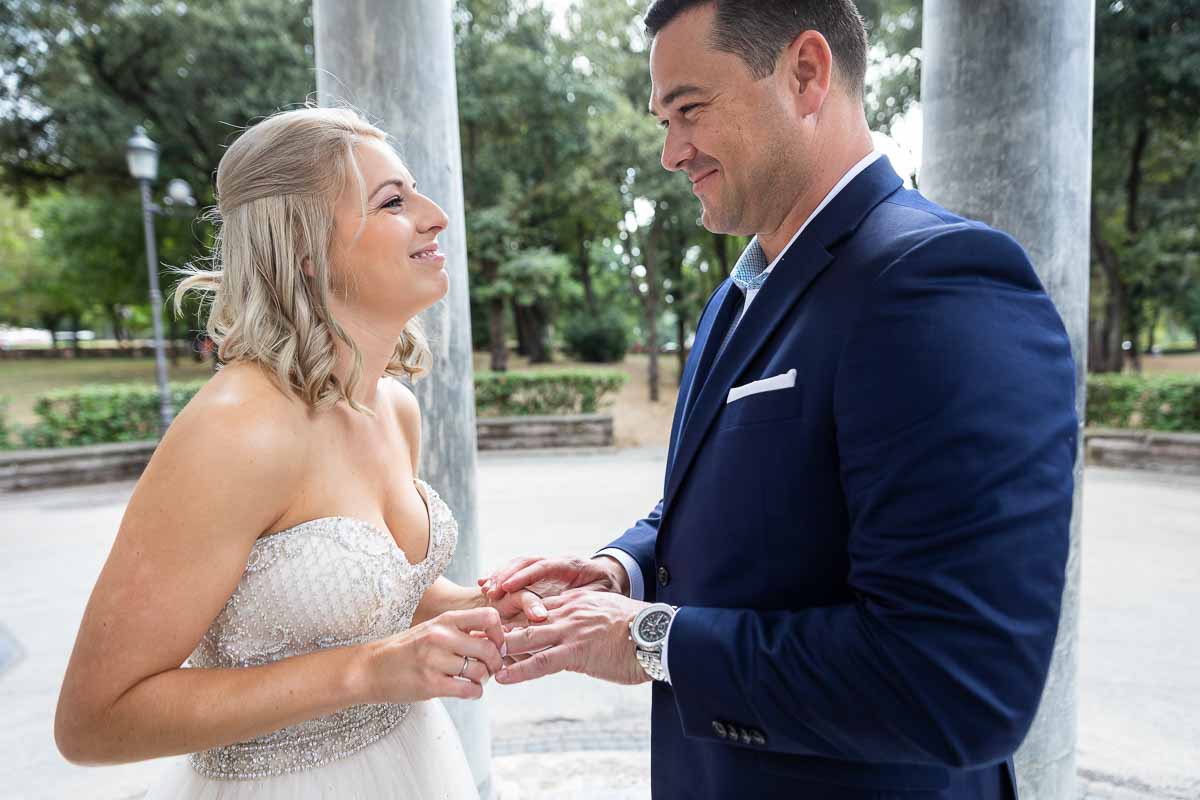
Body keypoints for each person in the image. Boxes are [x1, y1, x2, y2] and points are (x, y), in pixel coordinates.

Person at [485, 2, 1079, 798]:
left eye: (689, 109)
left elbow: (957, 682)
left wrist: (650, 641)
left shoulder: (938, 283)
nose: (671, 152)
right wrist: (622, 571)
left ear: (805, 74)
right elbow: (730, 502)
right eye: (663, 119)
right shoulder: (738, 295)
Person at [54, 106, 539, 798]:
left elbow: (377, 595)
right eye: (394, 201)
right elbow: (92, 721)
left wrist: (487, 602)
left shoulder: (394, 408)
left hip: (414, 766)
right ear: (305, 246)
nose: (436, 217)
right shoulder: (234, 432)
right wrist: (365, 672)